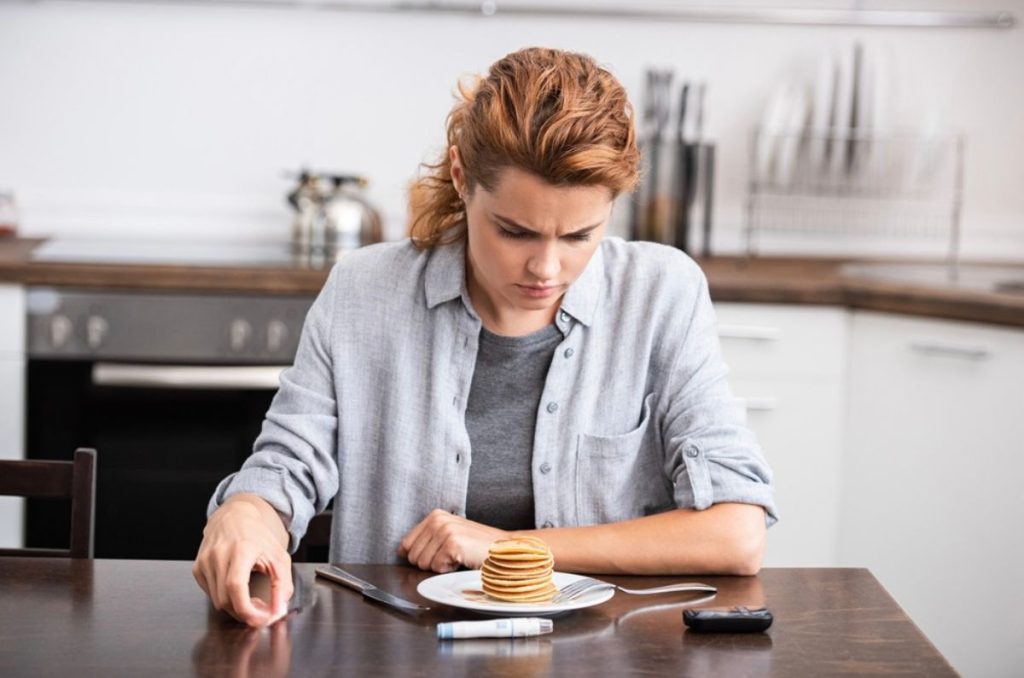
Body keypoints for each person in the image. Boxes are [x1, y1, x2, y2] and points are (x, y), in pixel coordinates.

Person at [193, 47, 777, 627]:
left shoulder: (661, 294)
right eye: (515, 231)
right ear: (460, 176)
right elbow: (286, 469)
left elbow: (736, 532)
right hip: (396, 653)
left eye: (579, 235)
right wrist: (248, 515)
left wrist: (505, 546)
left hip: (601, 657)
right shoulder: (363, 292)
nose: (546, 269)